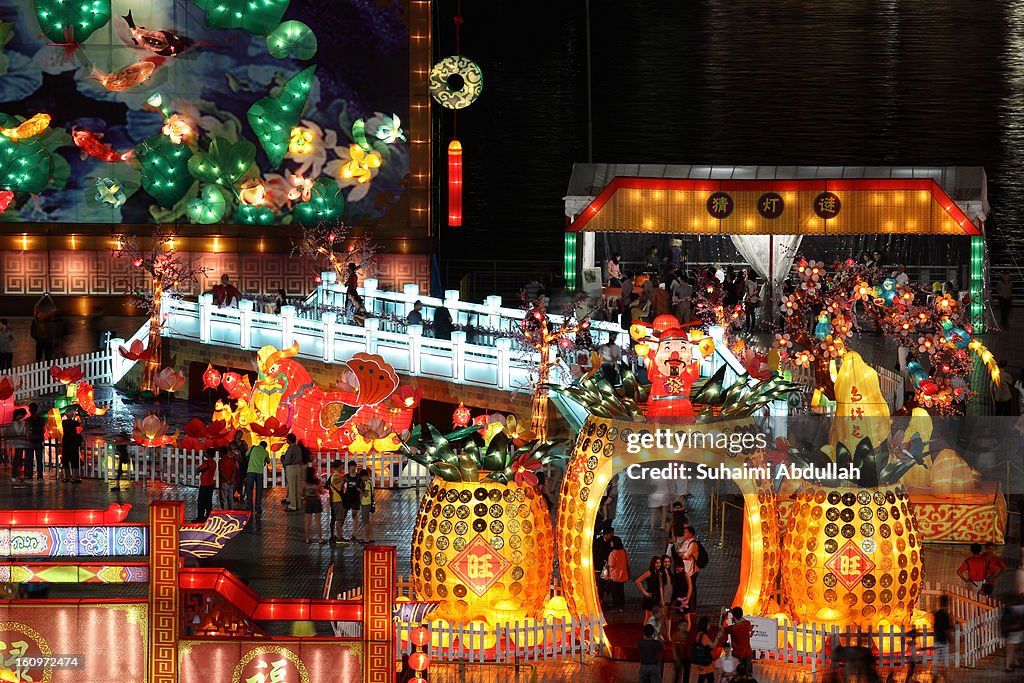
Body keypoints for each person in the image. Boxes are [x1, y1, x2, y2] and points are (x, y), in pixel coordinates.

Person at [636, 556, 668, 627]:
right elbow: (638, 581)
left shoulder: (660, 573)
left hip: (657, 597)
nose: (658, 564)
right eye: (656, 563)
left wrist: (662, 599)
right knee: (648, 617)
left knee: (656, 617)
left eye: (659, 563)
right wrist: (644, 592)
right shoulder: (649, 572)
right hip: (650, 597)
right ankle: (647, 633)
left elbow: (661, 586)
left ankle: (654, 633)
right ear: (653, 563)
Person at [593, 524, 620, 606]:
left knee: (605, 584)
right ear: (606, 534)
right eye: (611, 534)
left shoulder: (611, 542)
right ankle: (599, 600)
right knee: (600, 584)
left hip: (607, 567)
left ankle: (603, 600)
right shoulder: (598, 542)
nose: (612, 536)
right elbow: (595, 554)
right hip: (599, 567)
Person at [692, 616, 723, 683]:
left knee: (708, 678)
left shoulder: (699, 634)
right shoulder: (704, 636)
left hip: (702, 660)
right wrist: (718, 637)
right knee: (706, 679)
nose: (710, 626)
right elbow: (713, 646)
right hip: (705, 661)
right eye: (709, 624)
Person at [725, 607, 755, 676]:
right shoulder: (747, 624)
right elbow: (743, 620)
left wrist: (722, 615)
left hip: (737, 654)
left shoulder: (732, 628)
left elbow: (721, 628)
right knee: (749, 674)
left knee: (738, 674)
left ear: (733, 616)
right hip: (748, 653)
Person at [244, 440, 270, 518]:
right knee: (259, 490)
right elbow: (268, 461)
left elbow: (246, 454)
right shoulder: (265, 452)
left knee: (249, 490)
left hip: (250, 471)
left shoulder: (253, 448)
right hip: (259, 472)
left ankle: (249, 507)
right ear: (265, 447)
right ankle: (258, 507)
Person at [678, 526, 701, 613]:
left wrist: (682, 554)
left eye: (686, 532)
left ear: (690, 533)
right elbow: (680, 552)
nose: (684, 534)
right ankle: (687, 606)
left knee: (692, 589)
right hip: (686, 569)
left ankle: (692, 608)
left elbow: (685, 556)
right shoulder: (686, 542)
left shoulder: (693, 544)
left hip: (692, 570)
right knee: (688, 588)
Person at [21, 403, 44, 481]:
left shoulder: (27, 420)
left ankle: (30, 476)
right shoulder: (41, 419)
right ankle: (40, 476)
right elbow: (43, 430)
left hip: (30, 442)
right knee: (39, 459)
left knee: (30, 459)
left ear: (30, 410)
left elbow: (25, 431)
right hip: (39, 441)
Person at [670, 548, 693, 629]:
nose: (678, 569)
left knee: (687, 617)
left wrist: (687, 598)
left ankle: (686, 633)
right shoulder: (676, 576)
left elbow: (690, 587)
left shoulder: (686, 575)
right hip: (679, 599)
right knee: (680, 617)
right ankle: (682, 633)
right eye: (676, 567)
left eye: (679, 567)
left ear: (682, 567)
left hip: (685, 598)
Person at [606, 537, 630, 613]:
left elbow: (611, 564)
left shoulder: (613, 553)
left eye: (611, 542)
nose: (610, 543)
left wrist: (607, 565)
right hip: (623, 575)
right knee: (621, 592)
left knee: (615, 593)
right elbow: (627, 561)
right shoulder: (624, 551)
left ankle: (615, 608)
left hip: (614, 576)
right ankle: (621, 607)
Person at [339, 460, 361, 543]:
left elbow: (362, 486)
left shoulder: (358, 477)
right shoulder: (346, 477)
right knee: (343, 515)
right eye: (351, 467)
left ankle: (354, 534)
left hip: (356, 498)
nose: (353, 468)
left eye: (354, 466)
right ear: (348, 468)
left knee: (354, 515)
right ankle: (339, 533)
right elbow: (340, 485)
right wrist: (341, 494)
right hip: (347, 497)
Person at [302, 465, 325, 544]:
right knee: (318, 521)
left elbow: (302, 492)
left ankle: (307, 538)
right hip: (316, 501)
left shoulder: (304, 482)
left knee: (308, 521)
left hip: (308, 501)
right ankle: (320, 539)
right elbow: (321, 491)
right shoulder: (317, 481)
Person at [60, 408, 83, 483]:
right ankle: (74, 477)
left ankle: (65, 477)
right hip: (72, 441)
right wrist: (79, 415)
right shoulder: (74, 422)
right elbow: (81, 424)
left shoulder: (63, 422)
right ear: (72, 414)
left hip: (65, 441)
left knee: (65, 459)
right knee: (74, 459)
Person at [281, 433, 303, 512]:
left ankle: (292, 505)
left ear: (289, 440)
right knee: (297, 486)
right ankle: (298, 504)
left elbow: (287, 460)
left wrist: (283, 460)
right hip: (297, 467)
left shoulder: (291, 448)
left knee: (292, 486)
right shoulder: (298, 448)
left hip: (291, 467)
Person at [932, 594, 952, 680]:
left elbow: (937, 626)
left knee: (937, 661)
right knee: (944, 662)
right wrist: (952, 640)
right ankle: (946, 679)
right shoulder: (945, 615)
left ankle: (936, 678)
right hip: (943, 641)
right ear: (947, 603)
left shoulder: (937, 614)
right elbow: (946, 629)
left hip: (937, 640)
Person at [194, 449, 216, 523]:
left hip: (204, 485)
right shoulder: (214, 462)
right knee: (208, 502)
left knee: (201, 502)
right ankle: (208, 516)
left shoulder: (206, 463)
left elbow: (199, 469)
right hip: (211, 484)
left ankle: (200, 517)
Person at [31, 293, 55, 362]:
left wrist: (49, 298)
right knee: (39, 357)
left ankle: (47, 370)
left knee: (48, 357)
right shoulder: (36, 321)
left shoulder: (48, 320)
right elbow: (36, 306)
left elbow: (53, 308)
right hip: (40, 341)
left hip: (47, 341)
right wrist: (42, 298)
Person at [327, 459, 345, 544]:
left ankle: (333, 536)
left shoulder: (332, 475)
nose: (343, 467)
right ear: (339, 466)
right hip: (337, 500)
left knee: (334, 519)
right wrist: (344, 479)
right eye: (342, 465)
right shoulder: (336, 476)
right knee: (339, 519)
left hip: (333, 500)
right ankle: (339, 537)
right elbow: (339, 483)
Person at [228, 430, 248, 504]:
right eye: (238, 434)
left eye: (241, 434)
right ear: (235, 435)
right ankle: (232, 494)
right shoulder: (232, 444)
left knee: (242, 479)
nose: (240, 436)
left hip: (242, 463)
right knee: (235, 479)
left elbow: (246, 451)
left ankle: (242, 494)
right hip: (234, 464)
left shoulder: (243, 443)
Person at [217, 444, 239, 509]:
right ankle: (231, 510)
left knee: (224, 498)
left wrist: (227, 480)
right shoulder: (231, 460)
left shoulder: (221, 461)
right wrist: (231, 479)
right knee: (230, 497)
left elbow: (222, 472)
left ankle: (225, 511)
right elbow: (234, 471)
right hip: (231, 482)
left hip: (224, 481)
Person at [357, 468, 374, 543]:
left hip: (366, 503)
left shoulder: (367, 484)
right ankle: (370, 536)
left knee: (365, 522)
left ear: (364, 476)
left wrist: (360, 491)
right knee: (368, 521)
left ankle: (366, 538)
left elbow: (366, 495)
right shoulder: (370, 482)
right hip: (369, 503)